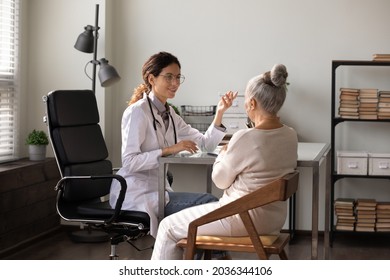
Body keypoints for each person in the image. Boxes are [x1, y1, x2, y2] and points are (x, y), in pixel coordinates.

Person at [151, 64, 298, 260]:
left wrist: (223, 154)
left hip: (241, 217)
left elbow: (219, 181)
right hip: (273, 219)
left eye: (246, 101)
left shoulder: (245, 137)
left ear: (252, 104)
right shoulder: (290, 135)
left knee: (167, 227)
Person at [109, 51, 238, 237]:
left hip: (159, 190)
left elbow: (205, 145)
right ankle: (212, 258)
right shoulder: (137, 112)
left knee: (208, 209)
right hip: (137, 194)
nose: (175, 83)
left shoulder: (170, 114)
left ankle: (205, 258)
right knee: (209, 203)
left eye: (178, 77)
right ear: (151, 79)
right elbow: (129, 162)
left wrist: (219, 113)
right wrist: (169, 150)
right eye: (169, 77)